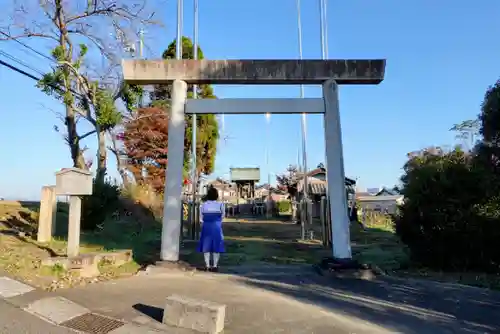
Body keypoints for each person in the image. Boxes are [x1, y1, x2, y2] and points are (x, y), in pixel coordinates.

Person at [197, 186, 225, 272]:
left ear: (208, 195)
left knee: (206, 246)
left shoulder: (203, 205)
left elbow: (201, 218)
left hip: (207, 226)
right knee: (216, 246)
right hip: (217, 226)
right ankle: (215, 266)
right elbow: (223, 216)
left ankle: (207, 265)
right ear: (217, 196)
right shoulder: (221, 205)